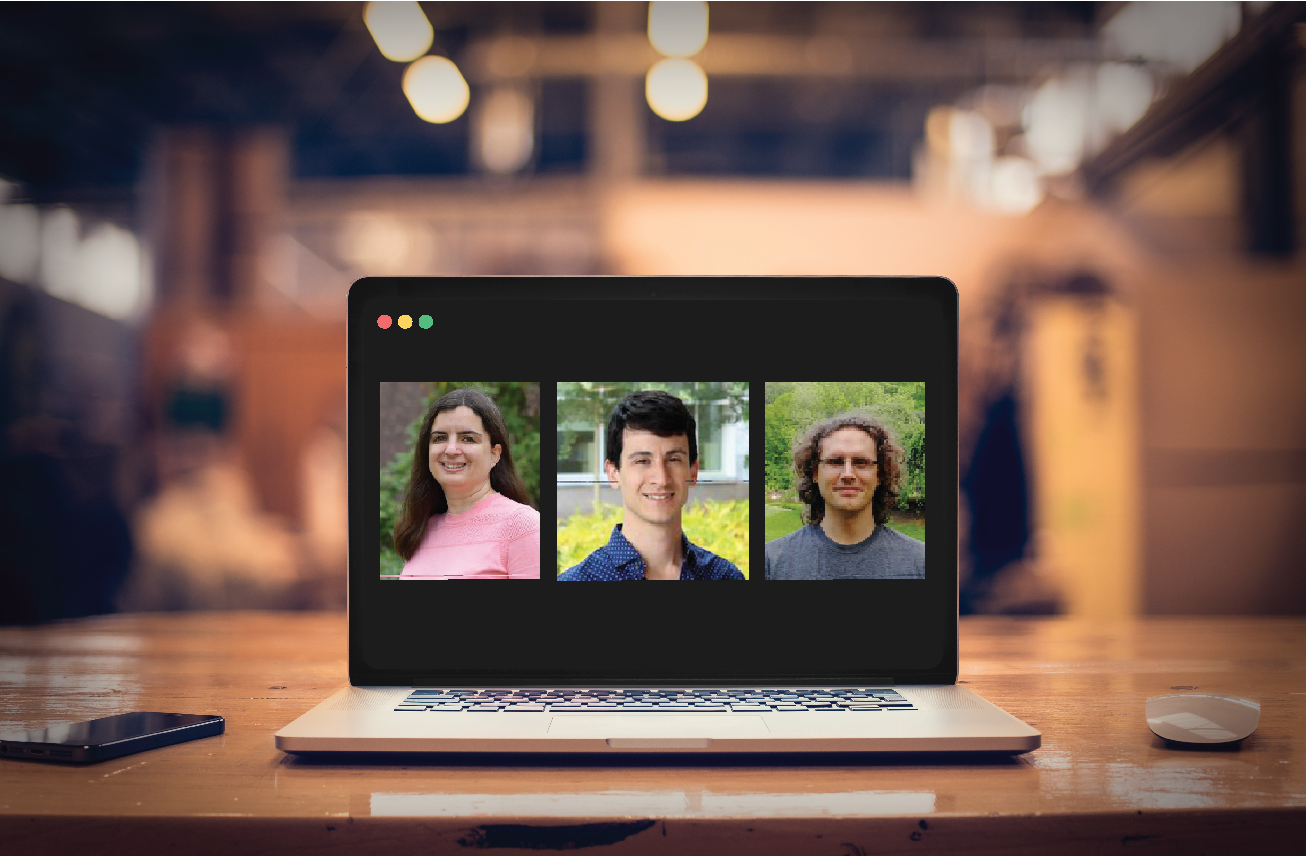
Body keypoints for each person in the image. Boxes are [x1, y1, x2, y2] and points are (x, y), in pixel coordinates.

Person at [559, 390, 744, 581]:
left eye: (673, 459)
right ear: (613, 472)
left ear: (693, 472)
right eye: (642, 461)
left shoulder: (724, 576)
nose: (661, 479)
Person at [395, 388, 540, 579]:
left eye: (468, 439)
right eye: (440, 438)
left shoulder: (523, 526)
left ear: (494, 454)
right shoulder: (422, 528)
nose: (451, 449)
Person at [765, 412, 924, 580]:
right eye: (835, 462)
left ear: (880, 475)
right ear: (815, 473)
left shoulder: (920, 563)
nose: (848, 474)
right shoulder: (771, 563)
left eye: (861, 462)